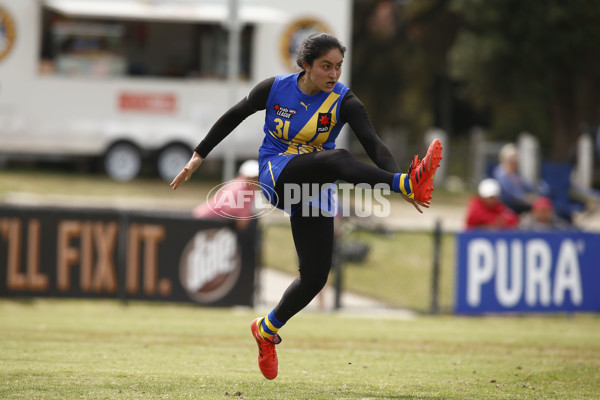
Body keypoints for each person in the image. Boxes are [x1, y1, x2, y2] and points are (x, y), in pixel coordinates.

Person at [170, 33, 443, 380]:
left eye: (338, 67)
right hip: (277, 174)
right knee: (339, 158)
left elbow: (374, 144)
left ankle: (266, 329)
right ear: (305, 66)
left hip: (313, 187)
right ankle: (406, 182)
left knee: (314, 277)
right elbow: (234, 115)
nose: (334, 74)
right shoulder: (275, 89)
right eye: (326, 67)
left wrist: (396, 176)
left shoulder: (345, 101)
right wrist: (198, 155)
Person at [192, 159, 260, 231]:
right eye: (252, 177)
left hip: (211, 222)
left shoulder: (244, 187)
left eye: (256, 178)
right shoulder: (239, 188)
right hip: (205, 221)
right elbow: (240, 220)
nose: (254, 180)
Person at [493, 143, 548, 214]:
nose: (516, 161)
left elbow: (529, 186)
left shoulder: (517, 173)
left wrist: (539, 190)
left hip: (521, 203)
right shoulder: (500, 173)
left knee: (544, 203)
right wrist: (526, 198)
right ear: (506, 159)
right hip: (508, 205)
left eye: (516, 159)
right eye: (513, 159)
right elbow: (510, 194)